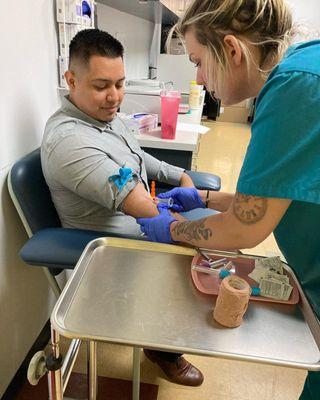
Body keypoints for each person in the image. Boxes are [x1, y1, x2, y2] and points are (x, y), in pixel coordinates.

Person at [136, 1, 320, 398]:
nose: (199, 78)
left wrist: (172, 227)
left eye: (199, 61)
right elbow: (277, 195)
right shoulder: (308, 64)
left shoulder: (294, 88)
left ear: (232, 50)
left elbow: (245, 225)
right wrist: (203, 196)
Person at [41, 28, 204, 386]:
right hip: (110, 248)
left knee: (210, 228)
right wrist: (180, 224)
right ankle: (161, 345)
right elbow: (136, 203)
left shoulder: (104, 117)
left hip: (137, 216)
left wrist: (182, 177)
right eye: (101, 86)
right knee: (205, 245)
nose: (114, 97)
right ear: (71, 79)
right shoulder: (70, 141)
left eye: (120, 83)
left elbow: (138, 158)